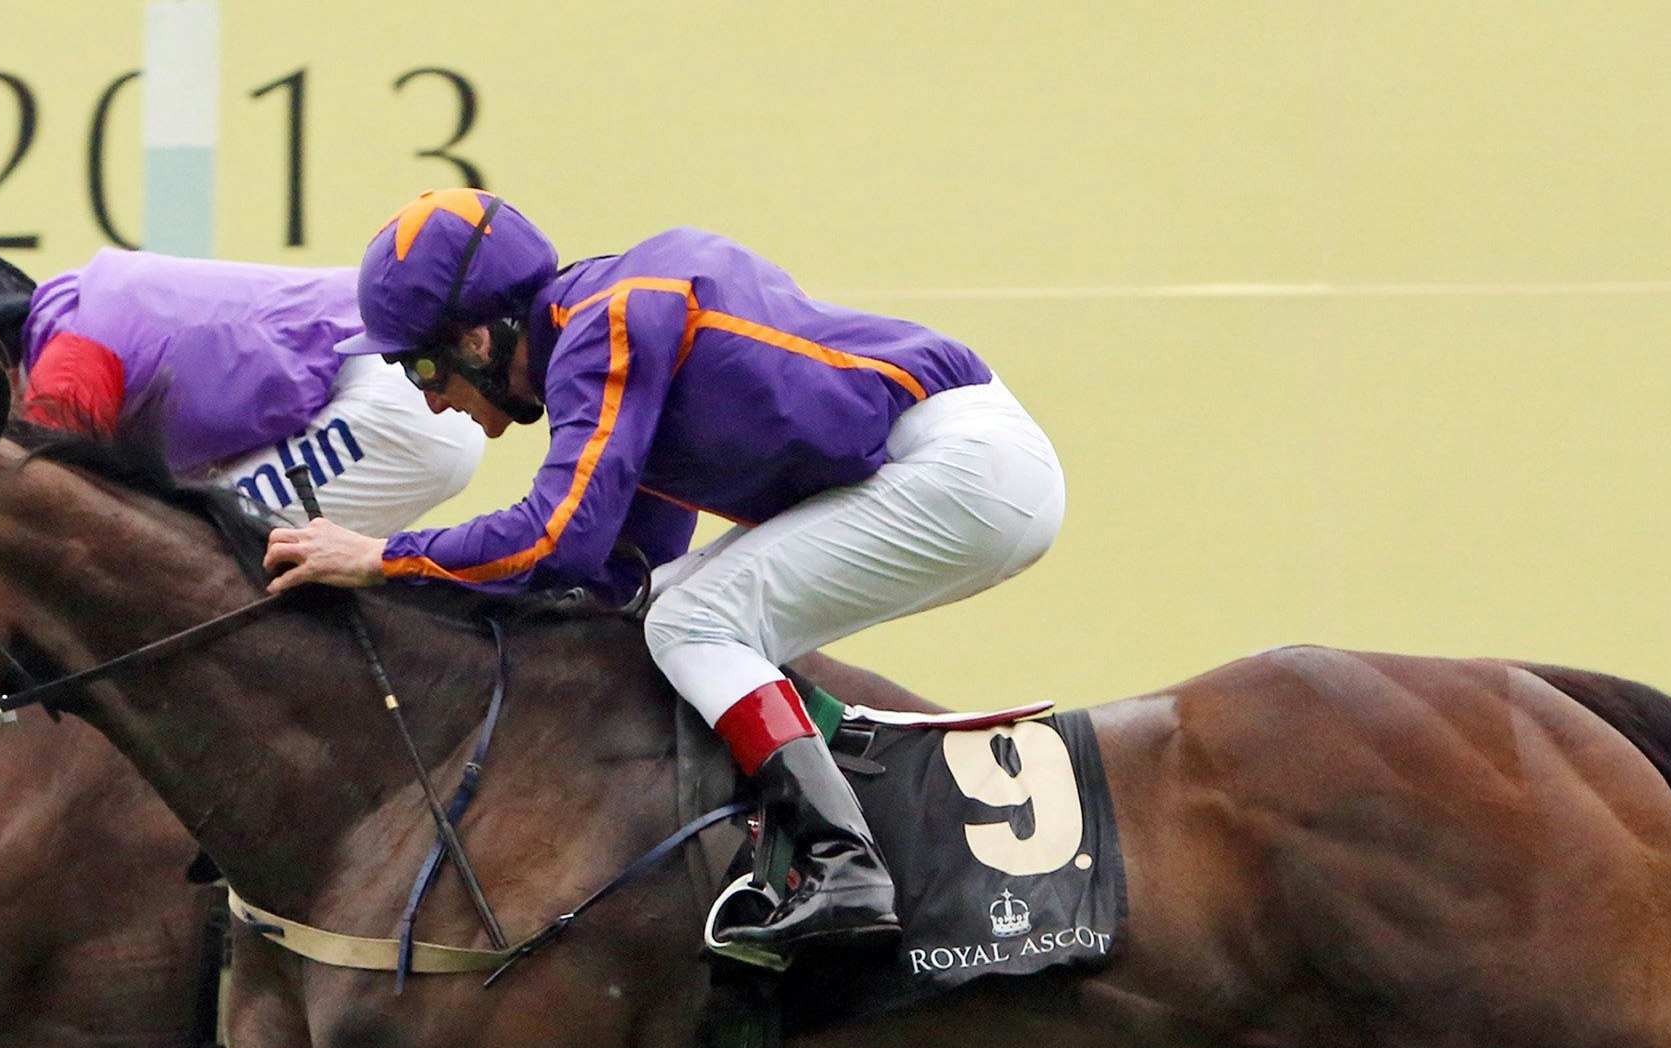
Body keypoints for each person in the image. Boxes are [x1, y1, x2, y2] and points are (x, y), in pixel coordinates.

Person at [261, 191, 1067, 956]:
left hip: (965, 468)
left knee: (692, 624)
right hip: (957, 464)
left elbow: (555, 541)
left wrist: (383, 558)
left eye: (422, 372)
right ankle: (800, 830)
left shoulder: (603, 325)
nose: (434, 405)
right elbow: (624, 571)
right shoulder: (600, 328)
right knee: (672, 607)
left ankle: (841, 862)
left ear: (478, 338)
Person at [0, 238, 484, 585]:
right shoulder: (69, 320)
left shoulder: (72, 363)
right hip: (384, 394)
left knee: (180, 567)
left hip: (398, 403)